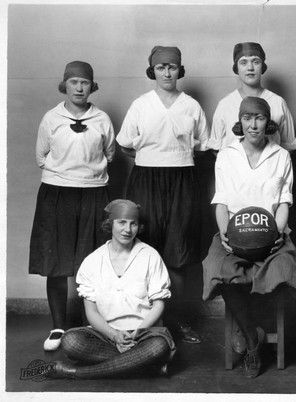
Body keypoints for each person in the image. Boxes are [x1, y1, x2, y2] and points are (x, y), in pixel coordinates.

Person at [203, 97, 296, 378]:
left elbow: (284, 202)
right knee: (219, 270)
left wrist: (278, 233)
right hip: (233, 234)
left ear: (267, 122)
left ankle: (250, 324)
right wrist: (225, 235)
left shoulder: (281, 156)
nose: (253, 124)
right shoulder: (226, 155)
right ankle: (252, 341)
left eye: (259, 118)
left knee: (284, 270)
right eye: (247, 118)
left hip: (272, 235)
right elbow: (221, 201)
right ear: (240, 122)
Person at [116, 46, 209, 344]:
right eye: (161, 67)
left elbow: (204, 145)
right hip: (146, 179)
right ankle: (146, 322)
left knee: (179, 252)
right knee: (146, 248)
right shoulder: (141, 105)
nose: (167, 72)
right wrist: (151, 159)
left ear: (180, 70)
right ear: (152, 71)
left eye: (172, 67)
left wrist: (172, 159)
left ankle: (179, 321)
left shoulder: (191, 105)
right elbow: (125, 144)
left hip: (183, 179)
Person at [28, 61, 115, 351]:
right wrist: (64, 175)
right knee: (57, 262)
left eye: (85, 83)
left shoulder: (102, 118)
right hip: (57, 194)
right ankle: (58, 326)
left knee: (94, 262)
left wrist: (85, 175)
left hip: (93, 194)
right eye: (74, 82)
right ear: (64, 85)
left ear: (92, 86)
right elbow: (42, 155)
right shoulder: (51, 118)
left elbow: (110, 154)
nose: (79, 88)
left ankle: (95, 324)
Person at [51, 200, 175, 379]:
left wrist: (136, 334)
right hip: (106, 335)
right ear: (110, 224)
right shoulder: (93, 261)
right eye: (122, 222)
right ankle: (146, 366)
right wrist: (114, 335)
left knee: (158, 346)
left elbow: (158, 305)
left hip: (144, 334)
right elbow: (91, 312)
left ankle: (78, 373)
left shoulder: (150, 255)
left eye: (133, 224)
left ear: (139, 227)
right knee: (70, 341)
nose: (128, 229)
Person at [208, 42, 296, 152]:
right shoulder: (225, 104)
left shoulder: (278, 103)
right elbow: (216, 148)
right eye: (243, 62)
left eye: (256, 62)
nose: (250, 68)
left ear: (263, 66)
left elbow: (288, 146)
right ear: (237, 67)